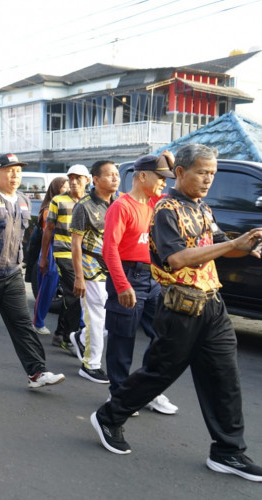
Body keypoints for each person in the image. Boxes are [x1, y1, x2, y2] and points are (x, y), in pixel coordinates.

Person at [91, 144, 262, 482]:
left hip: (213, 304)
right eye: (202, 172)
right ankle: (110, 416)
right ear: (180, 172)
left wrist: (246, 244)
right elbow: (178, 258)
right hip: (181, 307)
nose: (208, 179)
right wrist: (231, 244)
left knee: (224, 378)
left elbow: (216, 249)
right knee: (158, 373)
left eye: (212, 174)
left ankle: (228, 451)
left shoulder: (202, 209)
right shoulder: (166, 210)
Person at [0, 153, 65, 388]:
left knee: (22, 324)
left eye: (18, 171)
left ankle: (37, 372)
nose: (15, 175)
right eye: (9, 170)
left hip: (12, 273)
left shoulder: (23, 200)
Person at [101, 153, 178, 415]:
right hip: (127, 274)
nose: (164, 184)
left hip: (153, 277)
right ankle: (120, 396)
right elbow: (109, 250)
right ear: (142, 176)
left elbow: (180, 191)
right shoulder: (121, 207)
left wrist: (171, 160)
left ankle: (146, 389)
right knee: (123, 339)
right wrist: (122, 285)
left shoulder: (157, 203)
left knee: (163, 335)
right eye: (160, 178)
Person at [68, 161, 119, 383]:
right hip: (91, 270)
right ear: (96, 180)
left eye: (117, 174)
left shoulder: (120, 202)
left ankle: (80, 337)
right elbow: (76, 244)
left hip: (114, 269)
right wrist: (79, 276)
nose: (115, 178)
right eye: (109, 175)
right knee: (97, 320)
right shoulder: (84, 206)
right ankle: (91, 365)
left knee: (109, 321)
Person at [40, 164, 89, 351]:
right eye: (71, 178)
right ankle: (70, 339)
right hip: (64, 253)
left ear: (87, 180)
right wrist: (43, 258)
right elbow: (48, 230)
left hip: (86, 255)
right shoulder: (58, 200)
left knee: (71, 294)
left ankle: (60, 332)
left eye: (78, 178)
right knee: (76, 294)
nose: (74, 182)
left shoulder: (90, 201)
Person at [30, 176, 68, 335]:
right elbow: (49, 231)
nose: (67, 189)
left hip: (66, 248)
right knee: (47, 286)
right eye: (63, 187)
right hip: (51, 249)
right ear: (55, 189)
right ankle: (38, 322)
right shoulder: (48, 208)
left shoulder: (71, 203)